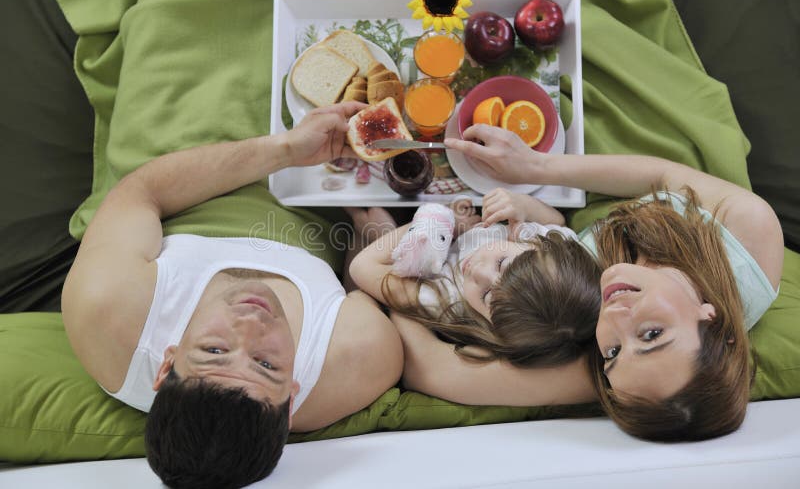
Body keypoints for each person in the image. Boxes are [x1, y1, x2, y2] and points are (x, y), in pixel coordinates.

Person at [61, 102, 403, 488]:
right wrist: (368, 226)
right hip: (330, 184)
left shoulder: (106, 308)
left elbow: (143, 190)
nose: (250, 324)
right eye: (265, 364)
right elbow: (363, 277)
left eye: (214, 351)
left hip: (192, 146)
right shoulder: (357, 362)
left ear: (165, 366)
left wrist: (287, 149)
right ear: (290, 401)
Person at [437, 123, 783, 441]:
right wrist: (535, 166)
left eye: (614, 352)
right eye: (652, 333)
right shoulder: (749, 230)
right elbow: (663, 176)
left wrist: (382, 276)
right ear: (711, 317)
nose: (615, 317)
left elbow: (445, 375)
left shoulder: (627, 374)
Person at [349, 187, 602, 384]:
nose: (478, 272)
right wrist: (523, 205)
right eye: (501, 264)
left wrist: (439, 227)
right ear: (534, 245)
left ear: (491, 326)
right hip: (452, 219)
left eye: (487, 295)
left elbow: (362, 267)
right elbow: (557, 222)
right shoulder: (551, 255)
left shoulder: (445, 300)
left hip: (408, 248)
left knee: (370, 218)